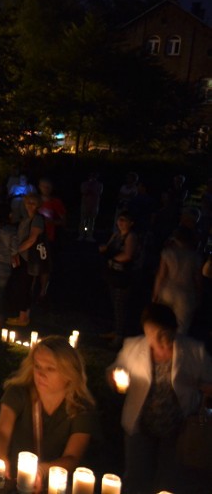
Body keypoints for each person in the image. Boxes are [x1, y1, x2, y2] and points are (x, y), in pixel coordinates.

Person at [108, 304, 212, 493]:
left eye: (163, 334)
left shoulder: (194, 352)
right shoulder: (133, 346)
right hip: (140, 426)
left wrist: (202, 386)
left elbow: (209, 381)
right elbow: (114, 369)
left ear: (174, 329)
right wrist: (116, 378)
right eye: (152, 334)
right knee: (136, 479)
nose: (158, 340)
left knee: (167, 482)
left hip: (177, 430)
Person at [0, 336, 96, 491]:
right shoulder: (19, 392)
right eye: (37, 366)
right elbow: (1, 431)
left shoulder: (80, 408)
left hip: (55, 486)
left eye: (50, 368)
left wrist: (41, 471)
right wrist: (0, 458)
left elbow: (72, 457)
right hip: (13, 480)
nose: (40, 374)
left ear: (69, 373)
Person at [99, 211, 140, 347]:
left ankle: (120, 335)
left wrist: (111, 256)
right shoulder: (116, 235)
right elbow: (107, 248)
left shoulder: (131, 237)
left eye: (124, 220)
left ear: (131, 223)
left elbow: (128, 255)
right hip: (113, 274)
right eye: (119, 220)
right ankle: (115, 330)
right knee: (114, 303)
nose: (121, 223)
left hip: (123, 276)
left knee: (120, 305)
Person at [152, 226, 203, 334]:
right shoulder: (195, 257)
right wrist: (199, 295)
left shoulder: (167, 253)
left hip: (167, 291)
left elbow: (161, 275)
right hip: (186, 293)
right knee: (181, 327)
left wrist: (155, 293)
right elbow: (198, 279)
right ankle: (177, 348)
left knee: (163, 323)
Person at [7, 193, 45, 327]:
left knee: (25, 286)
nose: (30, 205)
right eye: (28, 202)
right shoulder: (25, 219)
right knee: (20, 285)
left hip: (29, 258)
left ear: (38, 205)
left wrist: (17, 250)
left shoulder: (37, 220)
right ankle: (22, 315)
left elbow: (32, 239)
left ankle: (23, 317)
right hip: (22, 257)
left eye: (33, 203)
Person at [78, 172, 103, 242]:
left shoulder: (99, 184)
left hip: (94, 205)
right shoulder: (84, 184)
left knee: (91, 221)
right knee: (83, 220)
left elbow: (98, 193)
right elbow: (84, 191)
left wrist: (92, 190)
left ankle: (90, 235)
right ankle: (81, 234)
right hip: (85, 204)